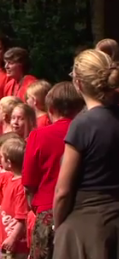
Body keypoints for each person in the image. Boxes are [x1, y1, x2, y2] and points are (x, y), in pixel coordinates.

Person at [53, 50, 119, 259]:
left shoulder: (82, 125)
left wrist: (59, 226)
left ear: (78, 83)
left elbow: (62, 192)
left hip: (87, 226)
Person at [22, 82, 84, 259]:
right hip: (81, 210)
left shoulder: (39, 135)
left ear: (50, 108)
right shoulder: (87, 131)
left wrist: (35, 208)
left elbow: (28, 182)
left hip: (47, 210)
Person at [0, 138, 29, 259]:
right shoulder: (11, 180)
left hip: (15, 245)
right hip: (5, 240)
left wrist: (13, 238)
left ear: (9, 162)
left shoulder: (20, 186)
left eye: (2, 157)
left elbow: (22, 218)